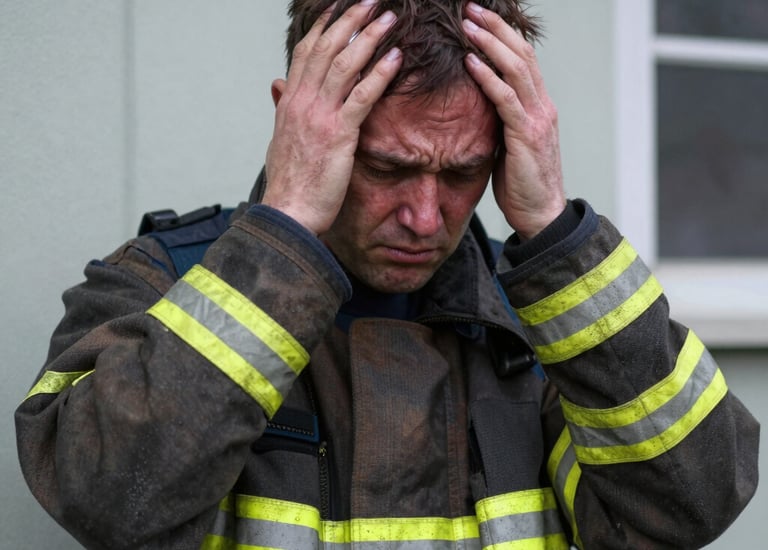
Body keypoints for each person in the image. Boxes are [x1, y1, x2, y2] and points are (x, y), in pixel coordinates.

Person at [16, 0, 759, 548]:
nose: (427, 217)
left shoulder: (551, 322)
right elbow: (108, 498)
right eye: (386, 167)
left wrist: (555, 232)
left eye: (465, 172)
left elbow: (691, 502)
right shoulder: (159, 287)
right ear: (297, 124)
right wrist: (285, 230)